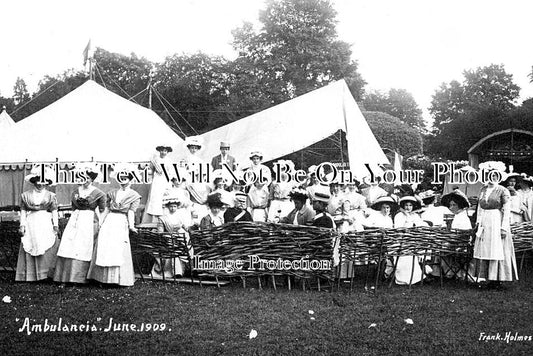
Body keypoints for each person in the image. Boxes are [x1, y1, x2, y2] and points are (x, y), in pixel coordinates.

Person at [54, 166, 106, 284]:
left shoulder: (99, 193)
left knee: (84, 245)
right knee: (70, 244)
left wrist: (100, 223)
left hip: (89, 220)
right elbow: (73, 208)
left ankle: (83, 277)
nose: (85, 180)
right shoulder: (76, 192)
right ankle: (67, 276)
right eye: (82, 177)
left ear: (92, 179)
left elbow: (102, 210)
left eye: (87, 178)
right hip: (76, 219)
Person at [87, 171, 141, 287]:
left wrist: (131, 226)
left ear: (130, 179)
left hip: (121, 221)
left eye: (125, 178)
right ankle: (102, 279)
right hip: (110, 220)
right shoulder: (112, 193)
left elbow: (131, 212)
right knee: (105, 245)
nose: (123, 180)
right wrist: (101, 222)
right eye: (120, 178)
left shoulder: (134, 195)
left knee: (117, 248)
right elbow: (106, 209)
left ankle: (118, 279)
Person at [16, 166, 59, 282]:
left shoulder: (50, 195)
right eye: (38, 181)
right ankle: (30, 274)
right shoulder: (26, 195)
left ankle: (46, 274)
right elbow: (23, 211)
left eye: (43, 181)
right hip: (31, 222)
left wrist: (56, 225)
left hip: (45, 221)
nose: (40, 184)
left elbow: (54, 211)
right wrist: (22, 225)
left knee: (45, 243)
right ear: (34, 181)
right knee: (31, 243)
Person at [473, 178, 518, 288]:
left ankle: (497, 279)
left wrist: (503, 228)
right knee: (484, 249)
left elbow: (507, 210)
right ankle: (486, 277)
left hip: (496, 221)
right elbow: (479, 208)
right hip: (484, 221)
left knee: (496, 249)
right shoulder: (483, 189)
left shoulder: (503, 190)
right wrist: (478, 222)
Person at [388, 196, 428, 285]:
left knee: (417, 251)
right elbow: (398, 229)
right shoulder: (399, 215)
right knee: (405, 255)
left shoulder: (415, 215)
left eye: (410, 205)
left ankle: (416, 277)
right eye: (406, 205)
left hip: (413, 240)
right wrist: (406, 219)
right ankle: (403, 279)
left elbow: (421, 226)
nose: (408, 208)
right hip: (400, 240)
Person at [151, 196, 193, 278]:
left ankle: (187, 270)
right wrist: (169, 235)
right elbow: (160, 232)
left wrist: (188, 229)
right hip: (168, 240)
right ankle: (175, 272)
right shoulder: (163, 218)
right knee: (173, 251)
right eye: (171, 206)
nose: (173, 208)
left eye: (175, 206)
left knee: (187, 248)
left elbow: (185, 227)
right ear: (167, 207)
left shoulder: (179, 217)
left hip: (180, 239)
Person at [144, 144, 173, 223]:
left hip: (165, 180)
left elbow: (170, 173)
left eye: (165, 151)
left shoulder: (169, 161)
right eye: (162, 150)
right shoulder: (155, 160)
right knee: (156, 199)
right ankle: (154, 220)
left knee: (164, 198)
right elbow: (151, 171)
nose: (163, 152)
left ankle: (165, 220)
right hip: (157, 181)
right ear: (159, 151)